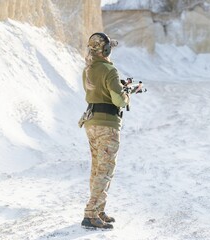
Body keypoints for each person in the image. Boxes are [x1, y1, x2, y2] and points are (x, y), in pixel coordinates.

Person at [80, 32, 129, 229]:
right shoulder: (110, 70)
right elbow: (118, 100)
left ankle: (99, 209)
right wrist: (126, 95)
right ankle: (90, 214)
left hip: (91, 123)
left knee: (97, 168)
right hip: (107, 125)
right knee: (105, 170)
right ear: (106, 50)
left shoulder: (88, 69)